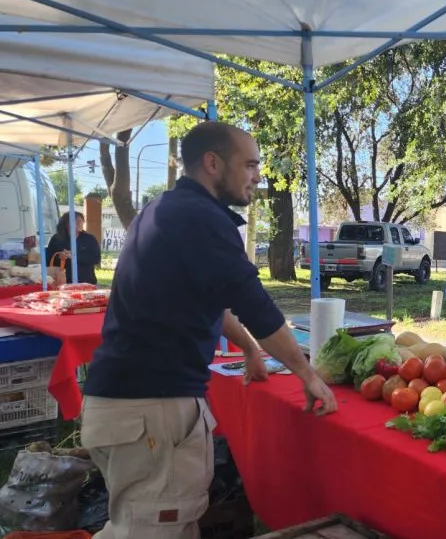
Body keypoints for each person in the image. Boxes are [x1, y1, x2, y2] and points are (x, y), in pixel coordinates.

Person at [80, 121, 336, 539]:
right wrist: (308, 375)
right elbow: (256, 304)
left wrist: (250, 350)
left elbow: (207, 300)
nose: (257, 175)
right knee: (152, 529)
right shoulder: (201, 218)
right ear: (213, 163)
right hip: (152, 408)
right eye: (250, 164)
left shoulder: (165, 210)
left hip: (126, 406)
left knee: (149, 525)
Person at [46, 211, 101, 285]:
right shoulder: (56, 239)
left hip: (86, 281)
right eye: (76, 221)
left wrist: (74, 256)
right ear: (66, 224)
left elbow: (96, 259)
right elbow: (48, 260)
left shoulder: (89, 239)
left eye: (81, 221)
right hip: (63, 282)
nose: (79, 223)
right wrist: (60, 256)